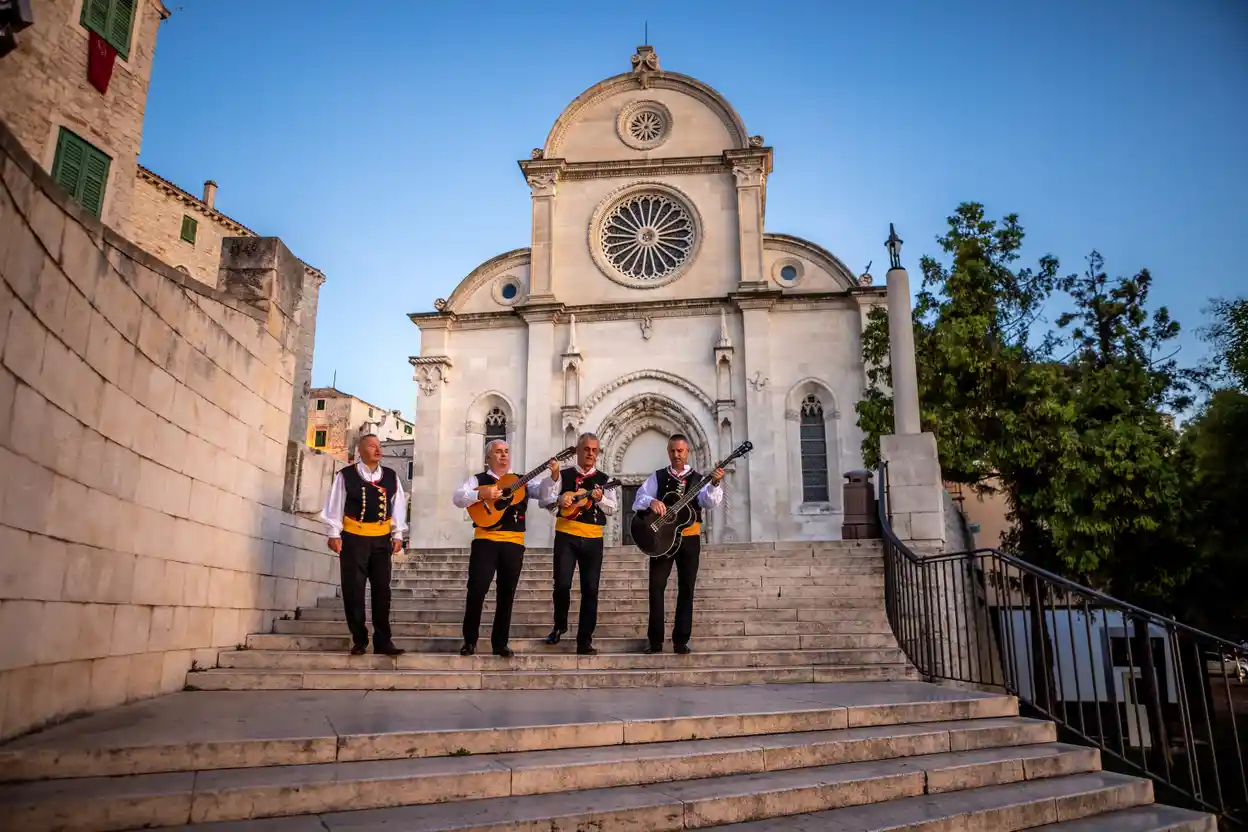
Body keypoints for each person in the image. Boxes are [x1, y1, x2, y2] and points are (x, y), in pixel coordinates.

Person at [451, 439, 559, 657]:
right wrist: (480, 495)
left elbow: (546, 495)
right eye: (498, 452)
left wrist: (554, 475)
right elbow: (457, 497)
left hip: (513, 543)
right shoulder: (478, 479)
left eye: (506, 452)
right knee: (477, 590)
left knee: (506, 594)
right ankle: (469, 641)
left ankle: (500, 643)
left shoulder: (521, 481)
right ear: (488, 457)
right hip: (485, 541)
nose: (503, 455)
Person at [632, 434, 724, 654]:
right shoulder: (658, 476)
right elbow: (638, 499)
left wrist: (715, 483)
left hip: (690, 539)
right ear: (668, 452)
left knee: (686, 589)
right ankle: (655, 641)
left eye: (680, 451)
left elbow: (709, 502)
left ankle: (680, 640)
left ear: (687, 452)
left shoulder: (699, 479)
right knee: (656, 587)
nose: (677, 455)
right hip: (661, 539)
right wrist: (652, 501)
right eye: (673, 451)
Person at [321, 434, 408, 656]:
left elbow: (397, 506)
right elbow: (335, 505)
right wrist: (334, 533)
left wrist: (397, 534)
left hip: (381, 540)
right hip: (353, 539)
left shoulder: (391, 476)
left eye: (379, 446)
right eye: (372, 446)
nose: (378, 450)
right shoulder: (346, 476)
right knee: (353, 590)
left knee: (382, 591)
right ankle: (359, 639)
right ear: (360, 451)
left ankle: (383, 641)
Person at [539, 432, 617, 655]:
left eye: (594, 450)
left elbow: (613, 508)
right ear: (578, 450)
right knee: (561, 585)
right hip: (566, 536)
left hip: (593, 538)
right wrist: (558, 499)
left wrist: (599, 498)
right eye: (586, 449)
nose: (590, 453)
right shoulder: (563, 475)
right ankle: (559, 625)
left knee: (590, 590)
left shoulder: (606, 479)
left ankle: (585, 640)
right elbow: (545, 501)